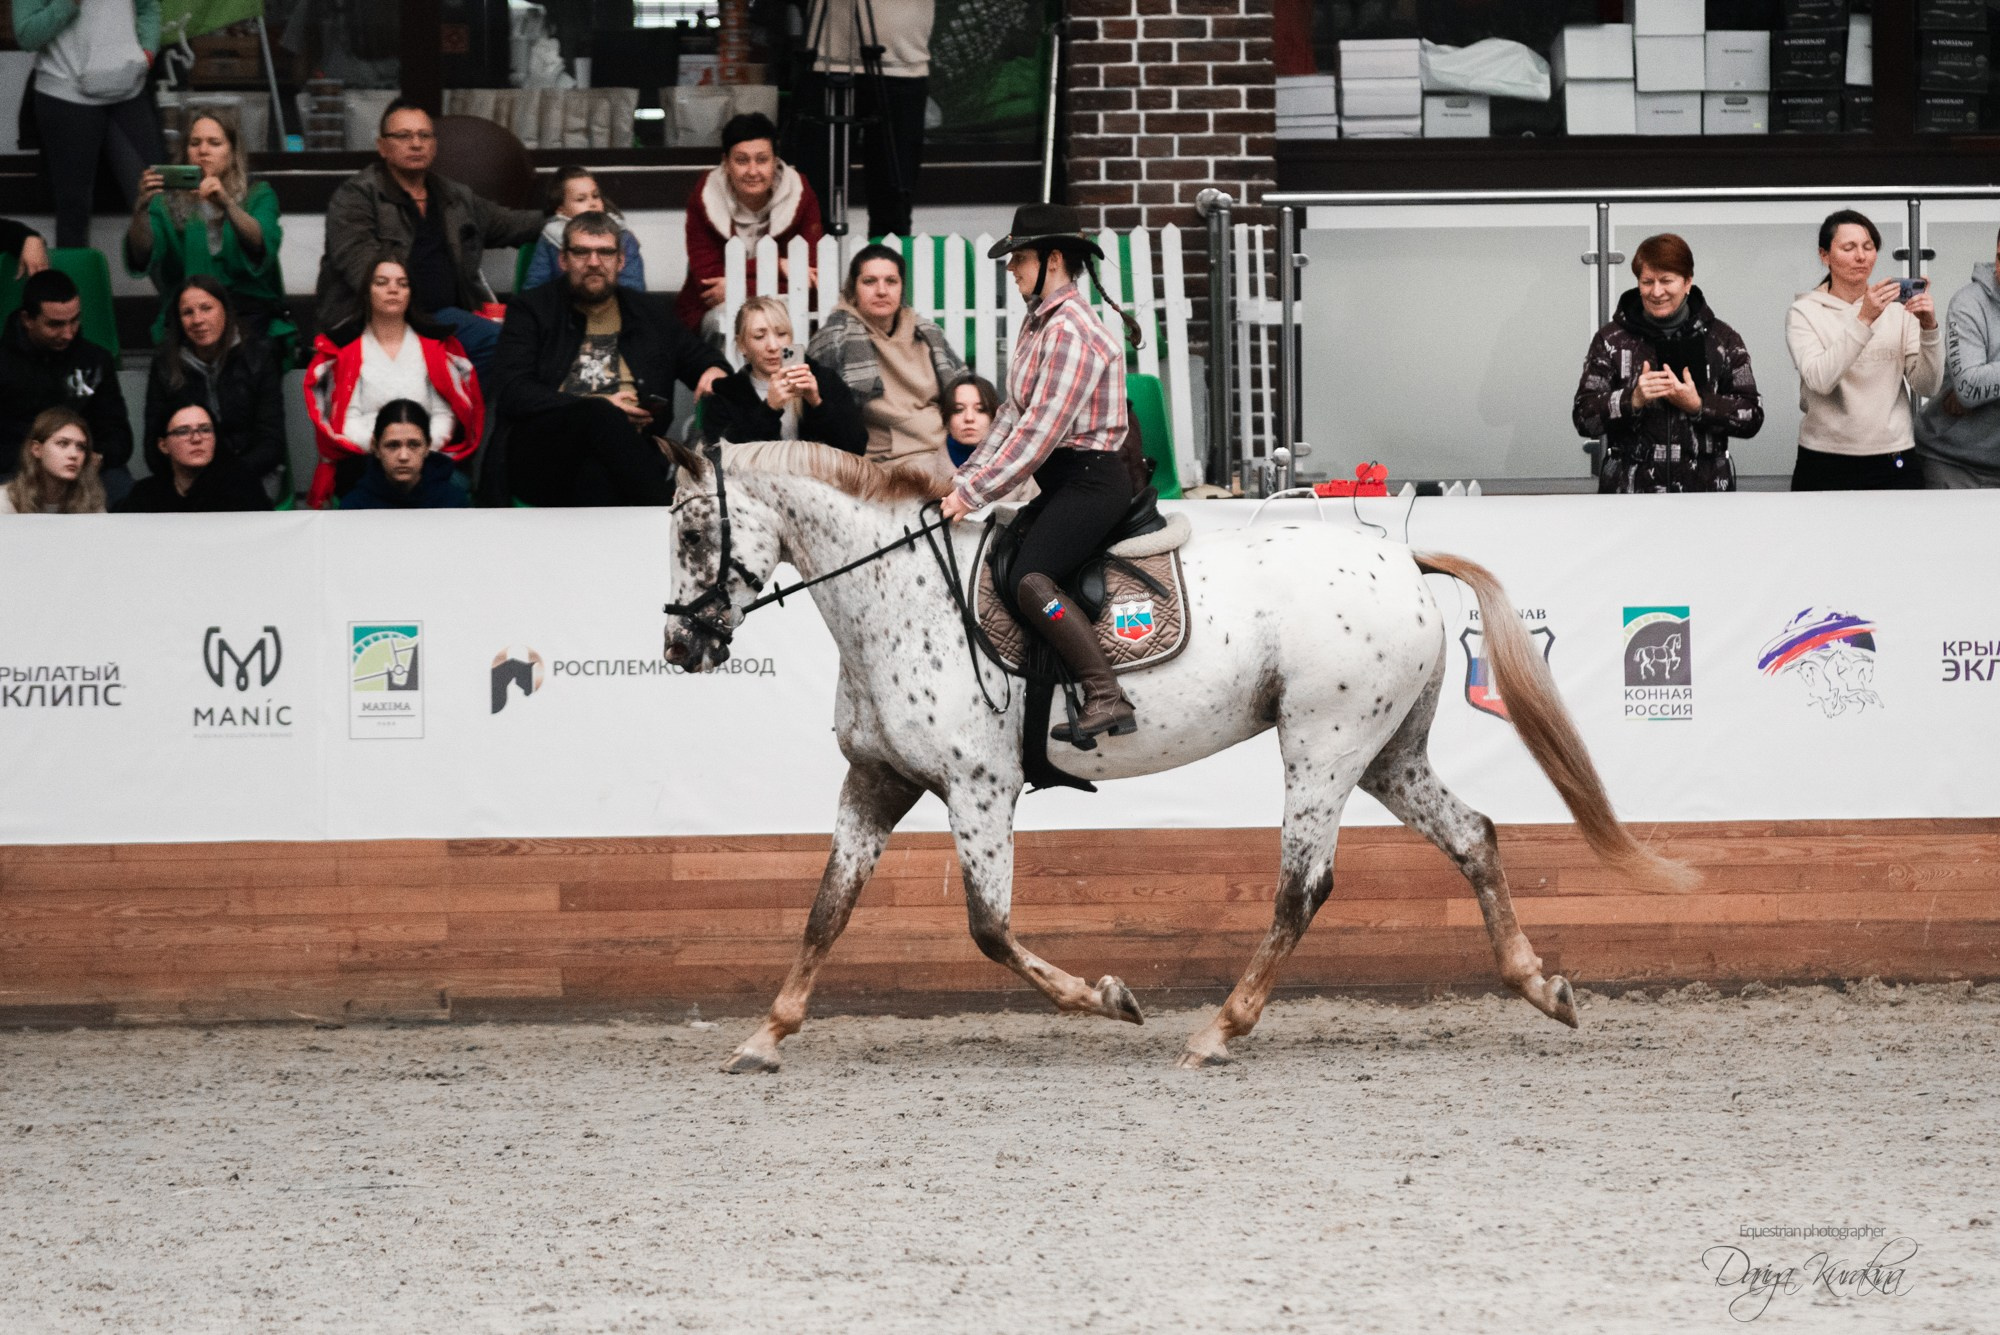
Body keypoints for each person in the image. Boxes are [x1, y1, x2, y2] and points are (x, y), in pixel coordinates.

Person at [941, 203, 1145, 744]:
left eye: (1021, 258)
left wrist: (974, 493)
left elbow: (1039, 433)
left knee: (1031, 578)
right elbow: (1012, 415)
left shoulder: (1071, 330)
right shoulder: (1040, 322)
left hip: (1092, 481)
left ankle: (1105, 693)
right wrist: (964, 479)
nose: (1011, 268)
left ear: (1053, 260)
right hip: (1066, 480)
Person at [488, 211, 729, 507]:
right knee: (600, 415)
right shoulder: (531, 309)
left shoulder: (650, 313)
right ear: (563, 260)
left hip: (625, 452)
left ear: (621, 260)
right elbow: (513, 390)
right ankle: (663, 511)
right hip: (544, 452)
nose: (593, 262)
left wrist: (713, 368)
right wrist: (597, 405)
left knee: (596, 476)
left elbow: (700, 357)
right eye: (581, 252)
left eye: (605, 252)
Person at [317, 99, 545, 373]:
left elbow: (510, 223)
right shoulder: (357, 197)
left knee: (521, 343)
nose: (416, 144)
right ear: (383, 147)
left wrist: (568, 219)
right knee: (499, 342)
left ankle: (467, 399)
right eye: (404, 136)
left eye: (424, 136)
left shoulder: (453, 196)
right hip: (379, 320)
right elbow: (362, 268)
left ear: (434, 146)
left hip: (446, 316)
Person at [1571, 234, 1763, 494]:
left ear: (1687, 282)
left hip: (1705, 497)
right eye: (1647, 282)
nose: (1656, 292)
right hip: (1628, 497)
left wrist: (1699, 405)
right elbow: (1584, 419)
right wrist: (1632, 399)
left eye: (1666, 281)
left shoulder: (1722, 338)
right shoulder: (1611, 339)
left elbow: (1752, 417)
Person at [302, 255, 483, 509]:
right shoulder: (346, 350)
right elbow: (347, 420)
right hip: (364, 457)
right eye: (382, 282)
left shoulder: (434, 348)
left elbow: (444, 415)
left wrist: (416, 448)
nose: (393, 289)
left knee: (451, 492)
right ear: (367, 292)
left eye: (402, 283)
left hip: (426, 454)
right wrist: (386, 448)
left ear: (411, 293)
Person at [1787, 209, 1945, 491]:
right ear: (1825, 255)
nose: (1861, 256)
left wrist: (1929, 328)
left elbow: (1928, 386)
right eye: (1849, 248)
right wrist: (1864, 319)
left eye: (1868, 247)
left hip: (1894, 455)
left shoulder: (1897, 309)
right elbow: (1820, 379)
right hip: (1824, 457)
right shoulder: (1804, 312)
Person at [123, 112, 293, 352]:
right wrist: (141, 210)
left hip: (247, 313)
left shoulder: (258, 194)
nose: (203, 151)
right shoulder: (166, 202)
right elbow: (142, 254)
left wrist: (227, 205)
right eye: (195, 143)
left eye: (214, 143)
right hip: (190, 315)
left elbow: (260, 242)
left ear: (232, 152)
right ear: (185, 152)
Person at [14, 0, 167, 250]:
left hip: (129, 89)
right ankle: (72, 277)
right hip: (64, 93)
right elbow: (26, 36)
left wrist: (148, 53)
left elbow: (148, 7)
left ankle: (173, 277)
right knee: (73, 212)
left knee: (157, 202)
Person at [806, 243, 964, 468]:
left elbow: (963, 390)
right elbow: (823, 420)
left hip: (946, 450)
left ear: (901, 288)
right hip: (883, 462)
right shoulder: (835, 339)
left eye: (891, 281)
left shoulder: (928, 333)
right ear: (853, 288)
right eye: (869, 281)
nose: (881, 291)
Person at [791, 0, 931, 239]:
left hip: (903, 64)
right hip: (826, 60)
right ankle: (814, 261)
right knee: (814, 199)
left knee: (893, 199)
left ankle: (885, 261)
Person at [677, 113, 824, 335]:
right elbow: (709, 285)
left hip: (788, 311)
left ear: (775, 161)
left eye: (762, 160)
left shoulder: (801, 194)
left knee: (787, 324)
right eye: (742, 160)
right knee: (725, 324)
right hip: (713, 315)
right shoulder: (705, 197)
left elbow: (809, 277)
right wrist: (779, 267)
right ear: (726, 163)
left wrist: (736, 285)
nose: (753, 171)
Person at [143, 277, 288, 501]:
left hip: (250, 473)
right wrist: (193, 477)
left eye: (206, 308)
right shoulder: (165, 365)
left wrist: (224, 477)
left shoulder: (259, 357)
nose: (197, 320)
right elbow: (154, 444)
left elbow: (271, 442)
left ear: (225, 311)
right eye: (187, 312)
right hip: (187, 476)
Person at [0, 270, 133, 503]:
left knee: (121, 488)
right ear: (27, 319)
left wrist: (97, 456)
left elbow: (118, 433)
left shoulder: (95, 361)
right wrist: (40, 462)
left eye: (74, 320)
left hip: (82, 465)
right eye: (55, 324)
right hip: (17, 467)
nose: (68, 333)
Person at [703, 296, 865, 452]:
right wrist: (769, 410)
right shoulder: (725, 395)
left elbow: (856, 448)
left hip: (817, 472)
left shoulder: (824, 380)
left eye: (781, 334)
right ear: (742, 345)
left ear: (791, 338)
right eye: (759, 336)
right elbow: (724, 458)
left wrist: (817, 403)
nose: (773, 346)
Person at [1915, 228, 2000, 488]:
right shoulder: (1969, 303)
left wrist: (1988, 380)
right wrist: (1976, 387)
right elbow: (1969, 388)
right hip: (1953, 461)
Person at [115, 402, 269, 513]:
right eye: (183, 431)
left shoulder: (242, 485)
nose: (196, 438)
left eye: (205, 430)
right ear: (163, 445)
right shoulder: (146, 494)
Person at [523, 167, 645, 293]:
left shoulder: (623, 236)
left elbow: (632, 290)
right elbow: (535, 287)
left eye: (595, 196)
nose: (593, 204)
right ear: (561, 209)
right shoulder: (550, 237)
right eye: (581, 199)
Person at [339, 401, 470, 510]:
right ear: (375, 447)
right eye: (392, 445)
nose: (403, 457)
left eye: (414, 445)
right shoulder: (355, 507)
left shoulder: (452, 503)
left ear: (428, 446)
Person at [1, 407, 105, 514]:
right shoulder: (5, 501)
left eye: (81, 447)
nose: (74, 455)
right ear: (37, 449)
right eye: (63, 443)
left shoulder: (91, 502)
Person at [942, 372, 999, 467]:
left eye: (980, 409)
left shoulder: (1015, 467)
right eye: (958, 410)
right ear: (946, 418)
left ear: (994, 417)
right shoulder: (922, 471)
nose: (969, 418)